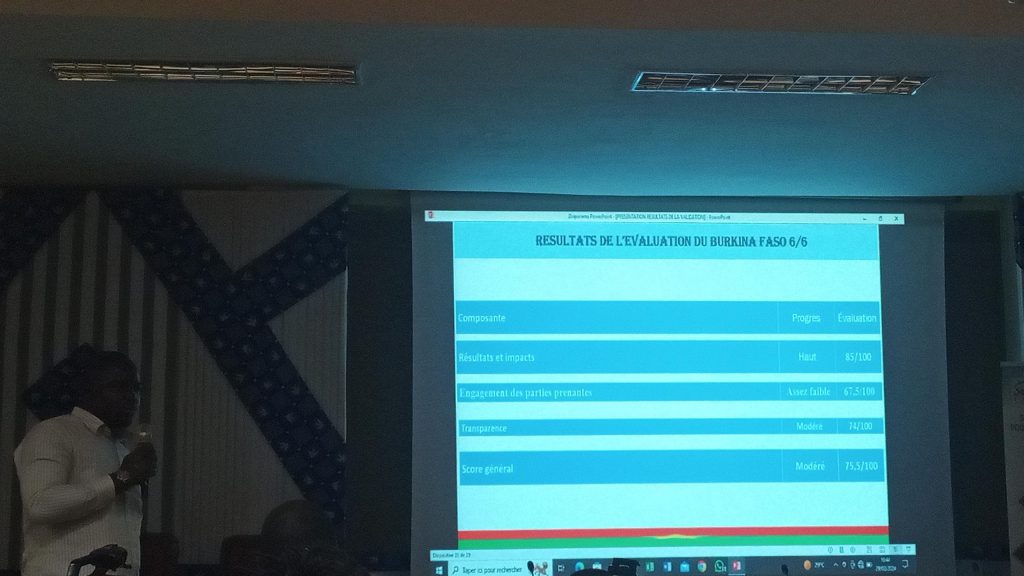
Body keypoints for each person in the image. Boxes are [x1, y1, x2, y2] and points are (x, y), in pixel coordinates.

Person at [14, 351, 157, 576]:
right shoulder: (52, 432)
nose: (132, 397)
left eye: (136, 388)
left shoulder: (123, 445)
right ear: (87, 390)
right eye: (118, 387)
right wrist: (122, 478)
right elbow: (40, 504)